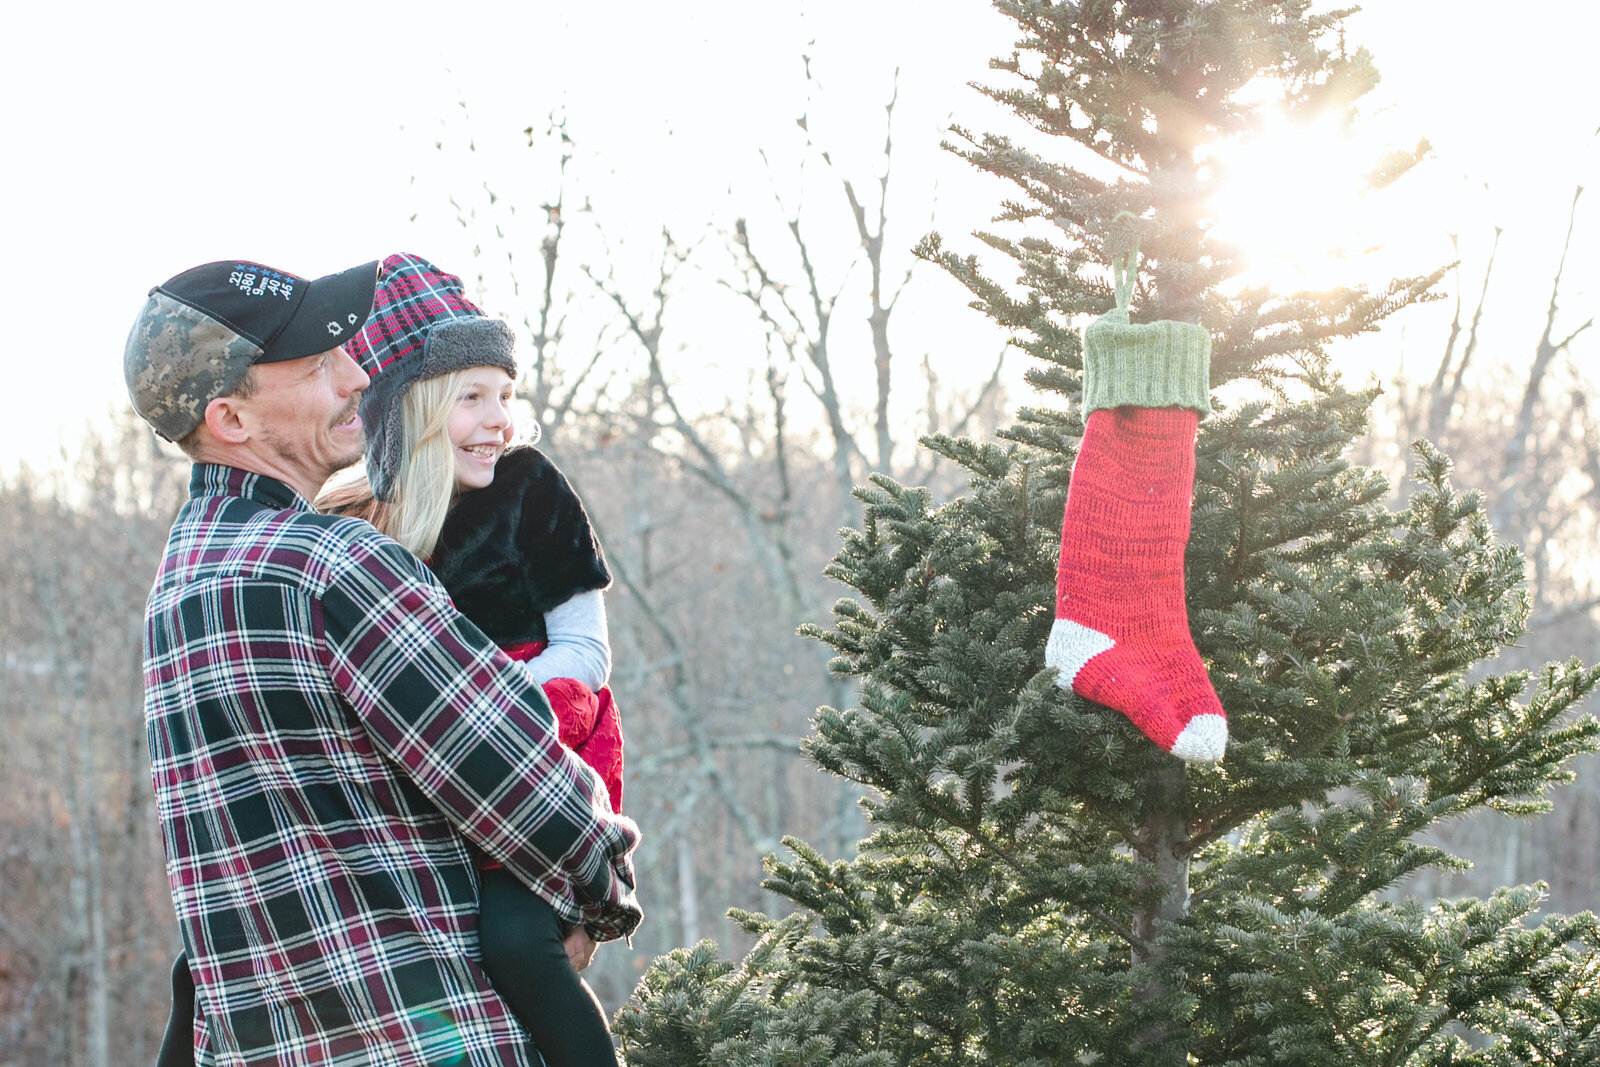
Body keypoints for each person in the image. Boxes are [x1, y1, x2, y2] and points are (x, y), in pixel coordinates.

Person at [126, 258, 640, 1067]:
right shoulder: (335, 566)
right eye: (320, 364)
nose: (359, 375)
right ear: (231, 417)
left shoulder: (178, 584)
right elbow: (513, 772)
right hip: (424, 1032)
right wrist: (600, 889)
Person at [316, 252, 626, 1065]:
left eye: (506, 395)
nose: (499, 420)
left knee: (517, 939)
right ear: (406, 408)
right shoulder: (354, 521)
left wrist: (482, 702)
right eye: (472, 398)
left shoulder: (528, 488)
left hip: (546, 751)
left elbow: (586, 652)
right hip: (421, 785)